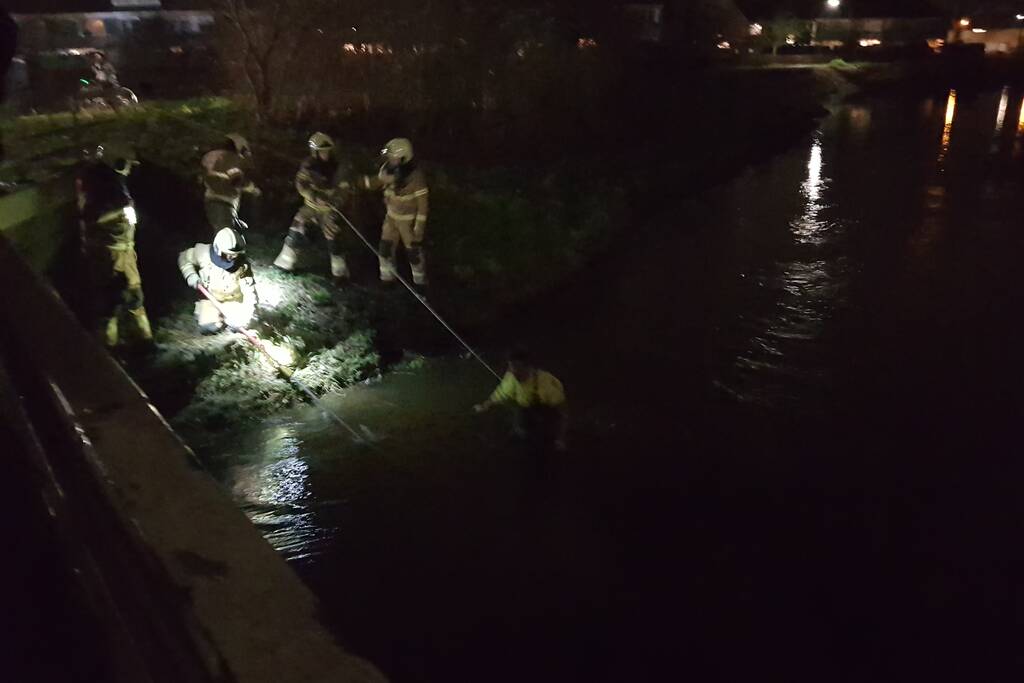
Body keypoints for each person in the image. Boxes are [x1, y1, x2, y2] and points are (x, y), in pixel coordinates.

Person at [75, 142, 153, 348]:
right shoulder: (98, 185)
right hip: (108, 253)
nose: (130, 167)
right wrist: (121, 210)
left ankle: (145, 342)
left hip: (124, 249)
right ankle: (110, 353)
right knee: (110, 302)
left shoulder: (115, 181)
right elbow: (92, 217)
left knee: (135, 296)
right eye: (127, 163)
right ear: (117, 162)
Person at [272, 132, 354, 283]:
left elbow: (344, 189)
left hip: (329, 210)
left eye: (326, 150)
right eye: (321, 151)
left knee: (333, 236)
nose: (324, 154)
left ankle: (340, 274)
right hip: (310, 207)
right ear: (314, 152)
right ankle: (285, 263)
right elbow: (301, 184)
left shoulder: (339, 168)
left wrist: (335, 202)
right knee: (296, 228)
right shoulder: (308, 165)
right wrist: (313, 196)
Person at [360, 138, 429, 287]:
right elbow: (375, 182)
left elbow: (423, 206)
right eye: (389, 156)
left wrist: (418, 230)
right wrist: (357, 182)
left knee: (414, 254)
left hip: (408, 221)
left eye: (393, 156)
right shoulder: (387, 170)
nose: (389, 159)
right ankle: (387, 279)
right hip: (390, 218)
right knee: (385, 249)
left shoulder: (415, 177)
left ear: (404, 158)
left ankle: (420, 284)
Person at [474, 348, 568, 452]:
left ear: (528, 367)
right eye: (511, 366)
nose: (512, 371)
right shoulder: (512, 377)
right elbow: (501, 393)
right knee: (523, 424)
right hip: (526, 409)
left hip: (546, 413)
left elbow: (561, 413)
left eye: (517, 367)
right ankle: (521, 430)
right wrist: (486, 404)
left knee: (543, 443)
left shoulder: (545, 386)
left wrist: (560, 439)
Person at [178, 227, 259, 334]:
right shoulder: (202, 253)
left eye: (236, 254)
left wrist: (246, 315)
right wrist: (190, 274)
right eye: (229, 254)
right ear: (218, 249)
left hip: (234, 302)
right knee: (207, 327)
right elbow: (183, 257)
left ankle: (230, 322)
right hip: (212, 300)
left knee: (241, 323)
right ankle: (219, 320)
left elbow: (250, 294)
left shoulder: (242, 266)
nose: (234, 257)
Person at [200, 133, 260, 234]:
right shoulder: (232, 160)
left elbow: (205, 176)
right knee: (227, 237)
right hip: (224, 203)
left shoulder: (212, 156)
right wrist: (252, 188)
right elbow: (236, 180)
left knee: (222, 233)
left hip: (210, 200)